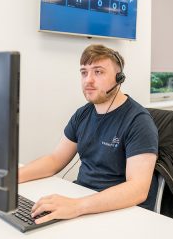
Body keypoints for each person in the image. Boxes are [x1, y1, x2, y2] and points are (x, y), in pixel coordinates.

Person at [19, 44, 159, 224]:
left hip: (120, 214)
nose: (88, 80)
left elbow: (137, 189)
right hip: (85, 202)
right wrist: (12, 178)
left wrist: (77, 206)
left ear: (119, 78)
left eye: (98, 72)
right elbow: (55, 160)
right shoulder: (83, 114)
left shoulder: (138, 121)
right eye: (84, 72)